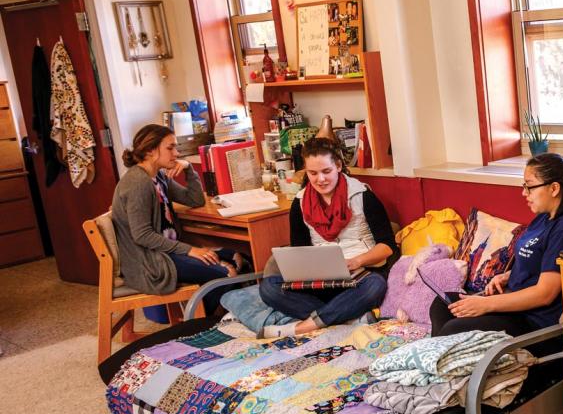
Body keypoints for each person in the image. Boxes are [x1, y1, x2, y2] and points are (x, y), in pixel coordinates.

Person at [430, 153, 563, 338]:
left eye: (530, 186)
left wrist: (486, 304)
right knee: (442, 305)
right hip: (513, 305)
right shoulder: (544, 216)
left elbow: (545, 294)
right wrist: (507, 276)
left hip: (533, 321)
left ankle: (440, 359)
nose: (524, 193)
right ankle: (438, 360)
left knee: (454, 329)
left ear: (554, 188)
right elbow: (538, 262)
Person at [259, 137, 396, 337]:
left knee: (376, 285)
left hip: (360, 277)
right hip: (321, 282)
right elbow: (300, 250)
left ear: (338, 166)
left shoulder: (362, 195)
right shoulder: (300, 203)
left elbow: (388, 246)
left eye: (326, 171)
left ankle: (303, 326)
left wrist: (355, 261)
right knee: (268, 287)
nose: (320, 179)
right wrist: (304, 270)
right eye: (313, 173)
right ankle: (348, 318)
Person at [112, 124, 245, 315]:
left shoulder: (157, 176)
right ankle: (194, 319)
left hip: (167, 252)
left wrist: (189, 168)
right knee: (226, 274)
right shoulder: (137, 184)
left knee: (237, 257)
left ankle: (201, 314)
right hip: (152, 262)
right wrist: (190, 250)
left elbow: (194, 199)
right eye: (170, 147)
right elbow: (142, 236)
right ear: (150, 150)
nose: (176, 152)